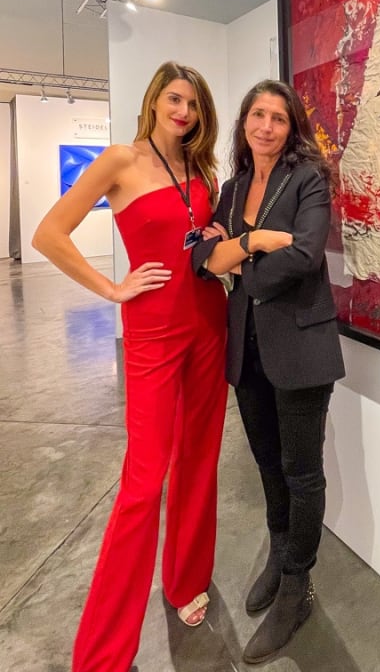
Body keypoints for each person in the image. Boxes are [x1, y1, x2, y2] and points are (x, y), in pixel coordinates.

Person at [32, 61, 229, 672]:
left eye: (193, 104)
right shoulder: (120, 160)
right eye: (175, 99)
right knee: (143, 484)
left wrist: (217, 234)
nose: (183, 112)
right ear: (154, 100)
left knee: (199, 458)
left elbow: (199, 240)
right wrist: (112, 288)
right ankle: (103, 651)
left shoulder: (201, 169)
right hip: (151, 335)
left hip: (207, 325)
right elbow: (48, 234)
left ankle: (185, 580)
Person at [192, 79, 345, 665]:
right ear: (244, 123)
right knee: (265, 462)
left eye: (278, 118)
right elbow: (203, 258)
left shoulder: (308, 178)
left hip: (301, 348)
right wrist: (252, 242)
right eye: (257, 115)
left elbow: (306, 255)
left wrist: (243, 267)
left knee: (302, 474)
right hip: (248, 351)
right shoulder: (230, 191)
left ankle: (297, 587)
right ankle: (281, 554)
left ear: (291, 127)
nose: (266, 126)